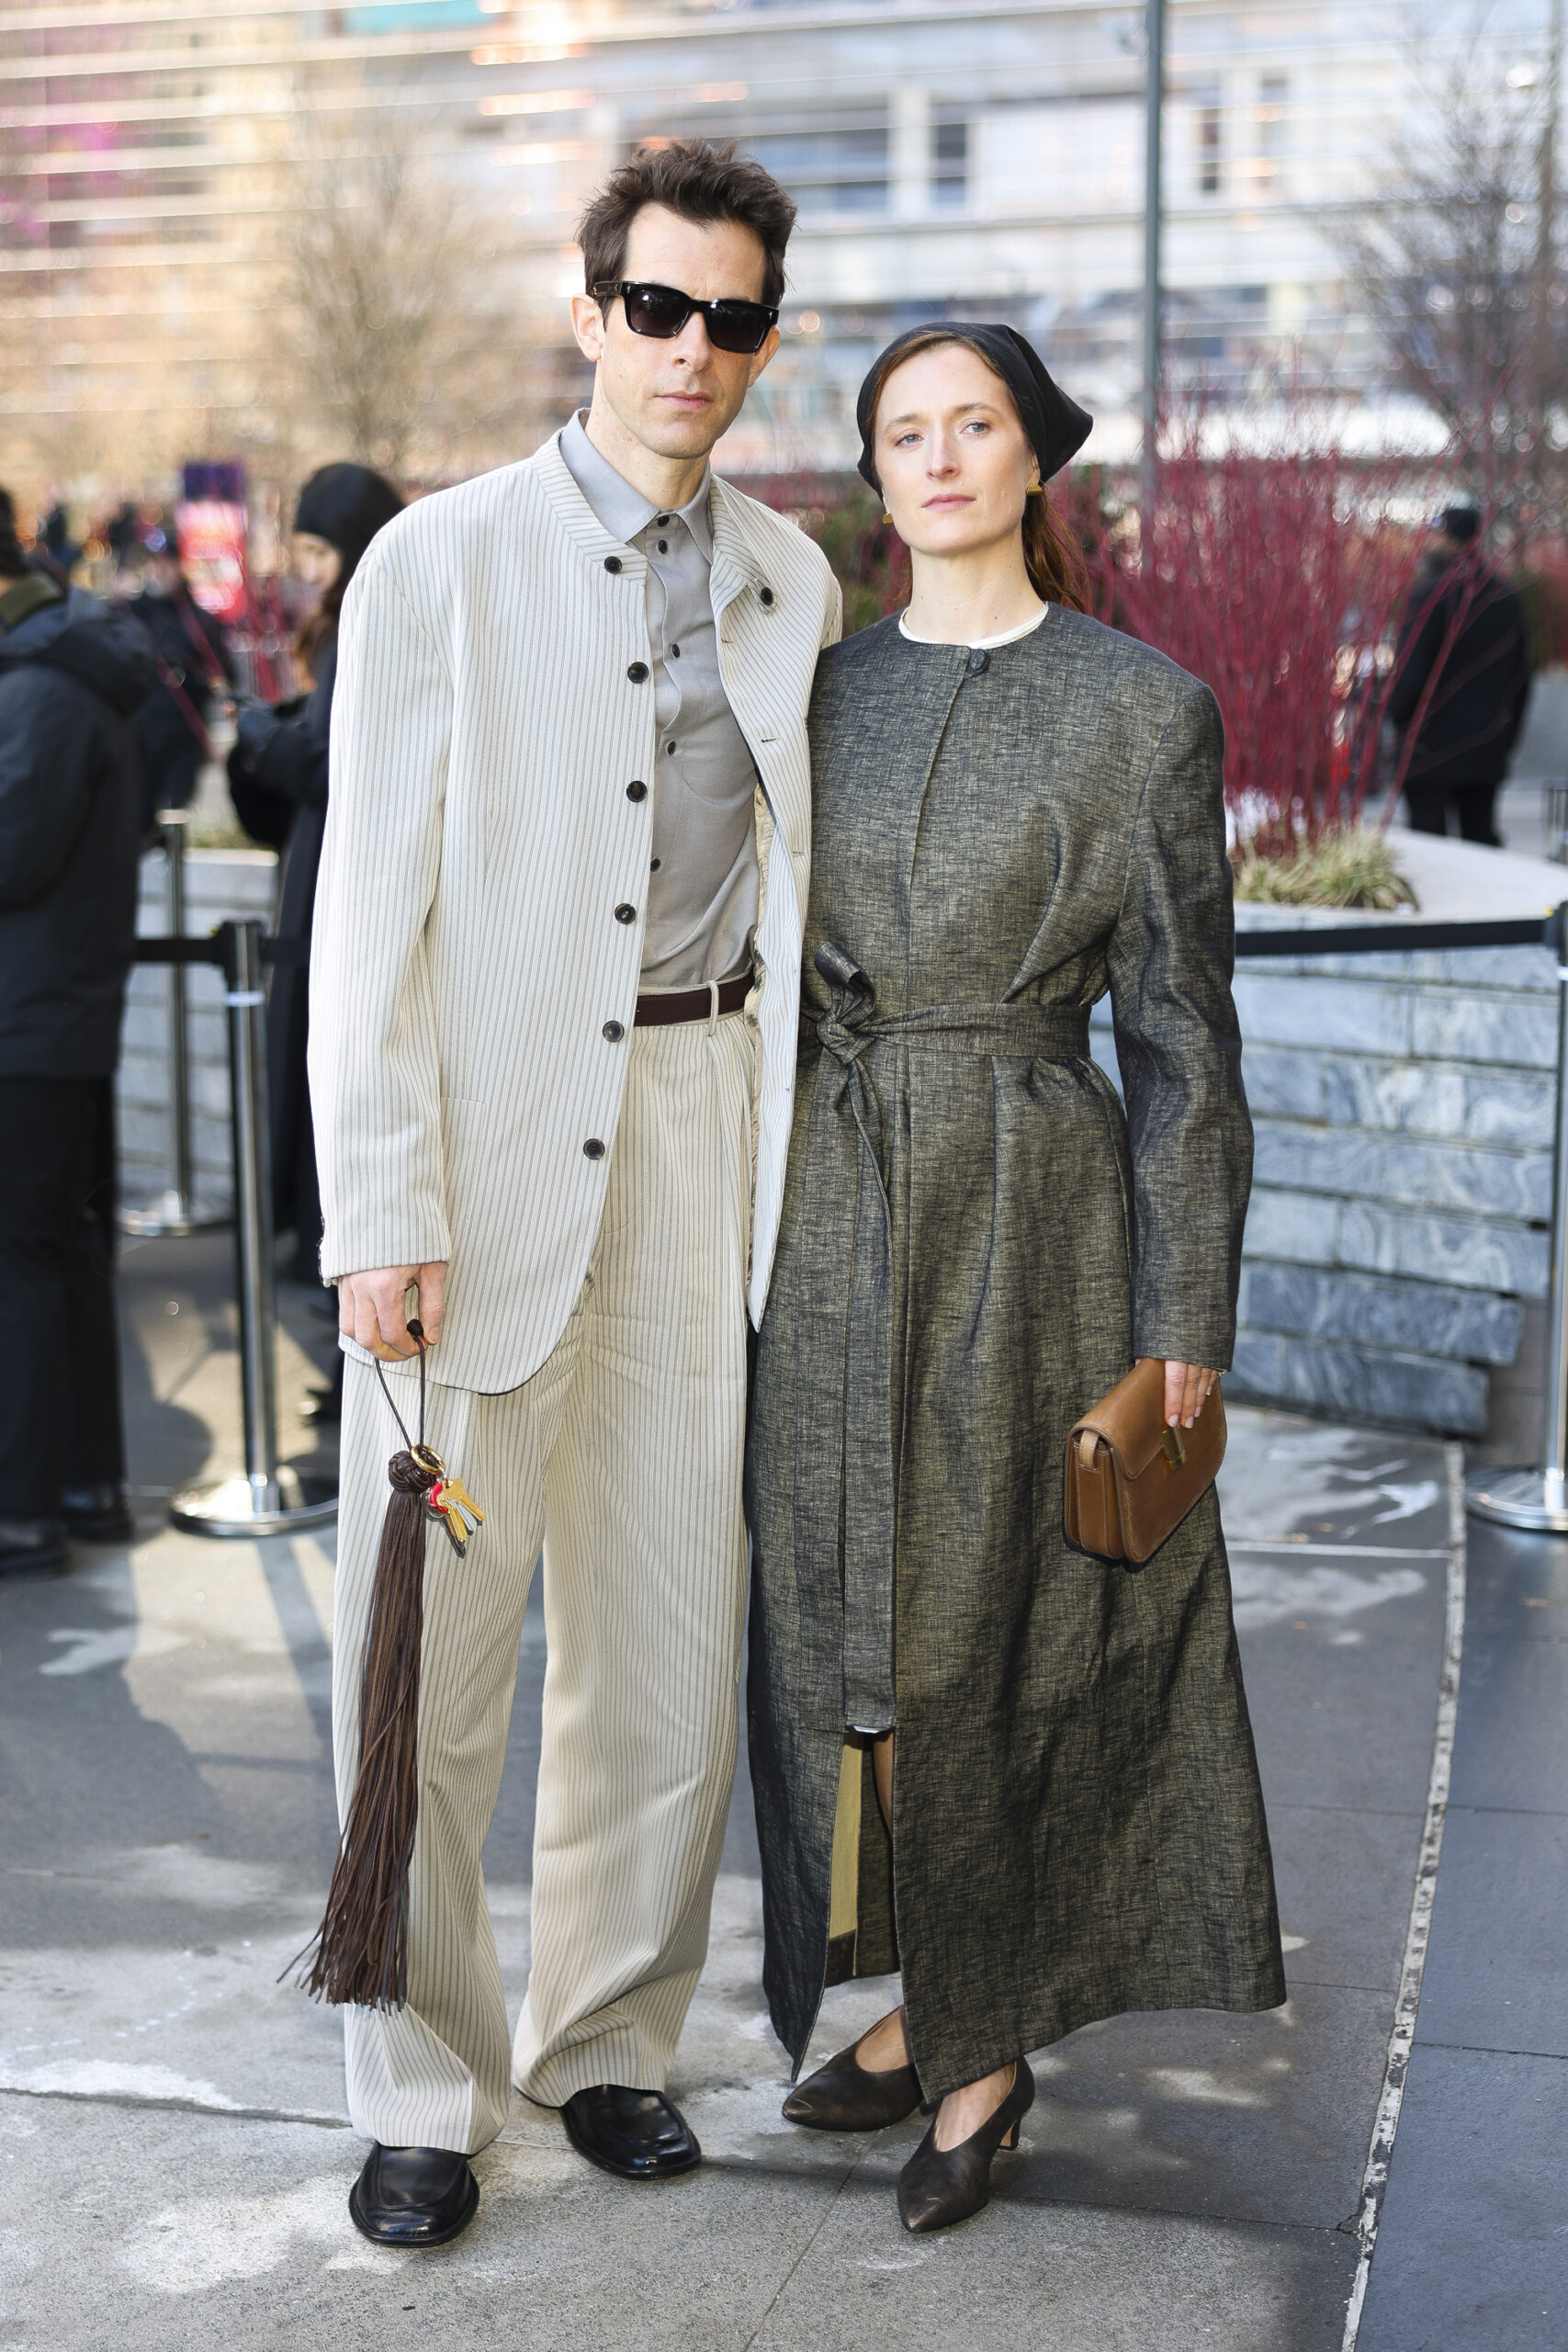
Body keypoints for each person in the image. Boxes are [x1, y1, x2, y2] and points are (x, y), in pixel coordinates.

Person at [308, 139, 840, 2247]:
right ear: (589, 307)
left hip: (704, 1126)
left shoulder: (792, 579)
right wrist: (379, 1205)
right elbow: (368, 913)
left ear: (762, 341)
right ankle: (419, 2086)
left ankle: (607, 2036)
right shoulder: (430, 564)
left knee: (667, 1639)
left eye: (730, 317)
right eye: (657, 305)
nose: (690, 348)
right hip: (477, 1147)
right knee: (435, 1650)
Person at [746, 325, 1285, 2235]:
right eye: (904, 431)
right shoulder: (812, 692)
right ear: (874, 473)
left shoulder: (1140, 707)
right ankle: (928, 1994)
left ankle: (975, 2048)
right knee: (849, 1636)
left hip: (1032, 1219)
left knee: (993, 1636)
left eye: (972, 422)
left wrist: (1184, 1316)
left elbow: (1184, 1036)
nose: (940, 456)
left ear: (1033, 455)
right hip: (827, 1204)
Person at [0, 488, 155, 1574]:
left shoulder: (41, 689)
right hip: (53, 1015)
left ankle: (24, 1505)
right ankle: (83, 1486)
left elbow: (13, 851)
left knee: (26, 1257)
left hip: (29, 1022)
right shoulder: (59, 676)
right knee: (57, 1249)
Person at [228, 466, 402, 1320]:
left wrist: (265, 736)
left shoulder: (367, 620)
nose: (309, 568)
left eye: (319, 548)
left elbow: (345, 767)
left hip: (341, 889)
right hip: (327, 879)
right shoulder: (361, 616)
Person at [1388, 505, 1531, 846]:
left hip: (1428, 750)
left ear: (1452, 540)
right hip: (1485, 747)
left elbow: (1410, 674)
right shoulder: (1505, 597)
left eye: (1435, 535)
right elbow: (1522, 678)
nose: (1428, 542)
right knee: (1480, 842)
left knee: (1431, 849)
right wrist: (1505, 738)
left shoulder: (1429, 597)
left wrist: (1395, 718)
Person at [118, 523, 236, 826]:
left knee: (177, 816)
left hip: (183, 738)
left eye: (164, 562)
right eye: (151, 562)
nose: (157, 570)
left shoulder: (201, 622)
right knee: (139, 818)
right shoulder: (127, 614)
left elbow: (224, 676)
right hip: (140, 736)